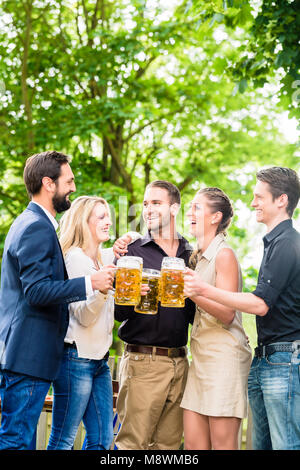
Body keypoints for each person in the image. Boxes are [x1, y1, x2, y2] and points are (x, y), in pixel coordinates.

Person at [0, 151, 112, 450]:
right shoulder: (36, 226)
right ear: (49, 183)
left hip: (29, 355)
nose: (73, 188)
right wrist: (91, 283)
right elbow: (36, 291)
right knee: (17, 440)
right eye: (69, 181)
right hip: (28, 355)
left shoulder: (35, 222)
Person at [183, 167, 300, 450]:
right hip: (263, 357)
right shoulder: (272, 244)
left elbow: (259, 304)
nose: (253, 203)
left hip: (281, 359)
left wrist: (200, 290)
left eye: (259, 197)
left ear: (281, 200)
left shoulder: (287, 243)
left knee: (285, 445)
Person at [47, 196, 140, 450]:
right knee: (63, 439)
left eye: (108, 216)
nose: (108, 222)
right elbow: (84, 317)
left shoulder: (101, 257)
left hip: (98, 361)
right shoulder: (75, 259)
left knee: (101, 440)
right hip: (75, 359)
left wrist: (127, 238)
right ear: (83, 222)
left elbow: (132, 239)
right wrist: (101, 290)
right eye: (101, 217)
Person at [114, 180, 195, 451]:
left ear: (174, 208)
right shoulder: (130, 252)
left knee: (168, 448)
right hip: (142, 361)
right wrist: (133, 292)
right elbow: (117, 312)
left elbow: (196, 316)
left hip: (180, 362)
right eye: (146, 203)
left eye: (156, 203)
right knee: (131, 446)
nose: (147, 209)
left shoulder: (191, 254)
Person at [180, 187, 252, 450]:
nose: (190, 212)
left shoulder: (225, 255)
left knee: (223, 445)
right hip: (199, 359)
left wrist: (193, 293)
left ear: (215, 217)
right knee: (193, 447)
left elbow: (227, 312)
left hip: (224, 360)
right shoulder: (197, 258)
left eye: (197, 207)